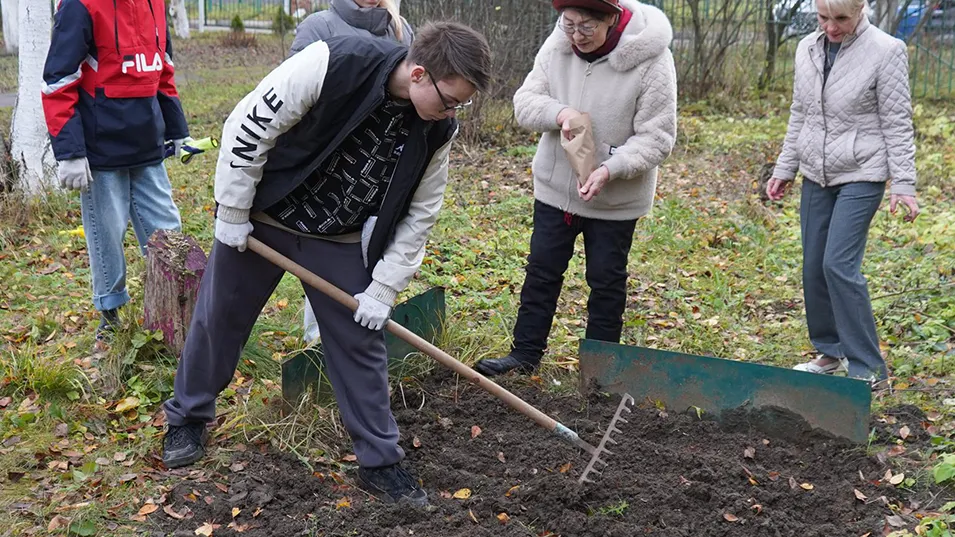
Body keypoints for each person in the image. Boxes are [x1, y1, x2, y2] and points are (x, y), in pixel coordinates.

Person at [161, 23, 492, 507]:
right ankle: (188, 418)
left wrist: (385, 286)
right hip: (265, 218)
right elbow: (250, 124)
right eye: (449, 101)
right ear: (420, 73)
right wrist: (232, 210)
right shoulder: (333, 62)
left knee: (360, 344)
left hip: (339, 239)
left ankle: (380, 462)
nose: (452, 112)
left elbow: (421, 213)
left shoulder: (437, 129)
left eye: (460, 104)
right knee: (219, 318)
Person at [474, 0, 677, 377]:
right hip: (556, 189)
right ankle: (525, 355)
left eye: (586, 27)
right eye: (569, 24)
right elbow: (525, 102)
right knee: (542, 270)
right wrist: (560, 113)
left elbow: (658, 137)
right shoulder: (558, 44)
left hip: (615, 200)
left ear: (611, 19)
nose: (576, 36)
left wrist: (611, 168)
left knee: (606, 281)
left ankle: (599, 372)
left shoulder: (651, 57)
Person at [767, 0, 919, 383]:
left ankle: (868, 368)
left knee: (838, 264)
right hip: (815, 173)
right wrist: (785, 168)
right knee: (814, 266)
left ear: (860, 10)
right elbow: (800, 113)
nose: (831, 28)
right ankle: (830, 351)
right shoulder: (807, 48)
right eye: (823, 18)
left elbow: (897, 122)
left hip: (862, 172)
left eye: (841, 19)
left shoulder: (886, 51)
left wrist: (903, 183)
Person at [41, 0, 190, 341]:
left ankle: (174, 313)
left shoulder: (156, 3)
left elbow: (163, 70)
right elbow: (58, 81)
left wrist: (177, 129)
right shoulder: (80, 5)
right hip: (101, 147)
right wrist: (70, 152)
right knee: (106, 233)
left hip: (148, 143)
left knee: (168, 231)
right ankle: (110, 318)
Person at [291, 0, 415, 344]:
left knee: (372, 249)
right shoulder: (320, 26)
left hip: (381, 164)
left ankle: (360, 329)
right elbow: (296, 95)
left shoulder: (400, 29)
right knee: (326, 256)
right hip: (329, 167)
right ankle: (319, 340)